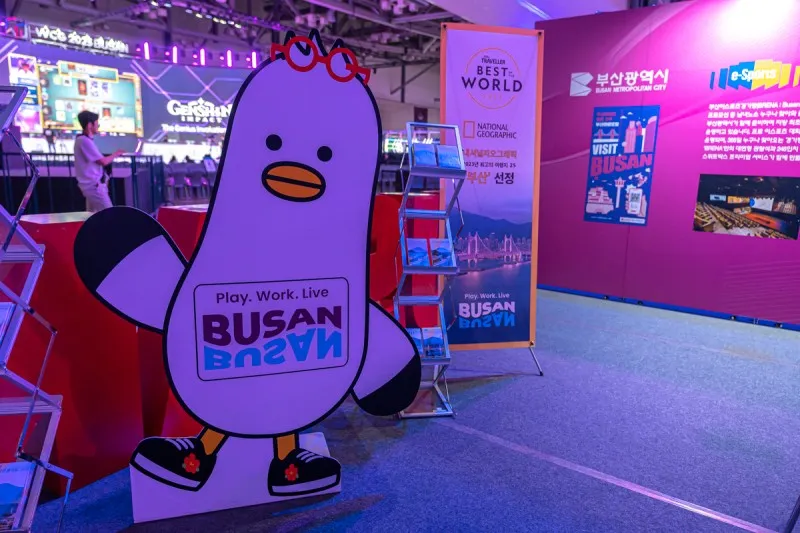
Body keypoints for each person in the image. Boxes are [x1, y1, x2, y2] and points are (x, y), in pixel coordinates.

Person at [75, 110, 123, 212]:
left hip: (92, 186)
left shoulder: (83, 140)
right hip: (93, 186)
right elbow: (103, 161)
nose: (98, 126)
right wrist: (116, 154)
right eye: (97, 124)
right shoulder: (84, 141)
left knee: (92, 216)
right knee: (109, 214)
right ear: (90, 125)